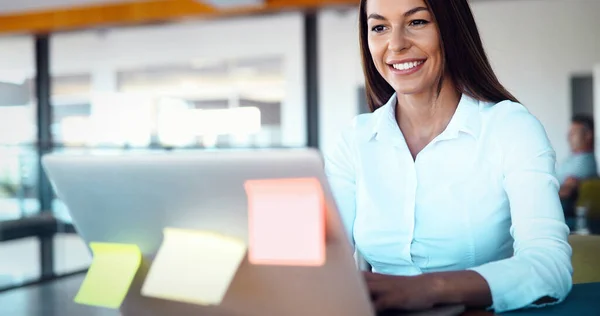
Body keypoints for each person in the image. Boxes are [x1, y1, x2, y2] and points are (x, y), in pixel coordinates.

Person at [323, 0, 572, 314]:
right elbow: (324, 259)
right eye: (380, 27)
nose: (396, 44)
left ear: (451, 30)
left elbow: (549, 266)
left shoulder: (510, 127)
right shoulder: (354, 139)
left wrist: (427, 289)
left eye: (417, 22)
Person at [558, 115, 598, 215]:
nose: (568, 137)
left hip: (567, 214)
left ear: (588, 135)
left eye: (573, 133)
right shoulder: (572, 158)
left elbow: (565, 192)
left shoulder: (586, 162)